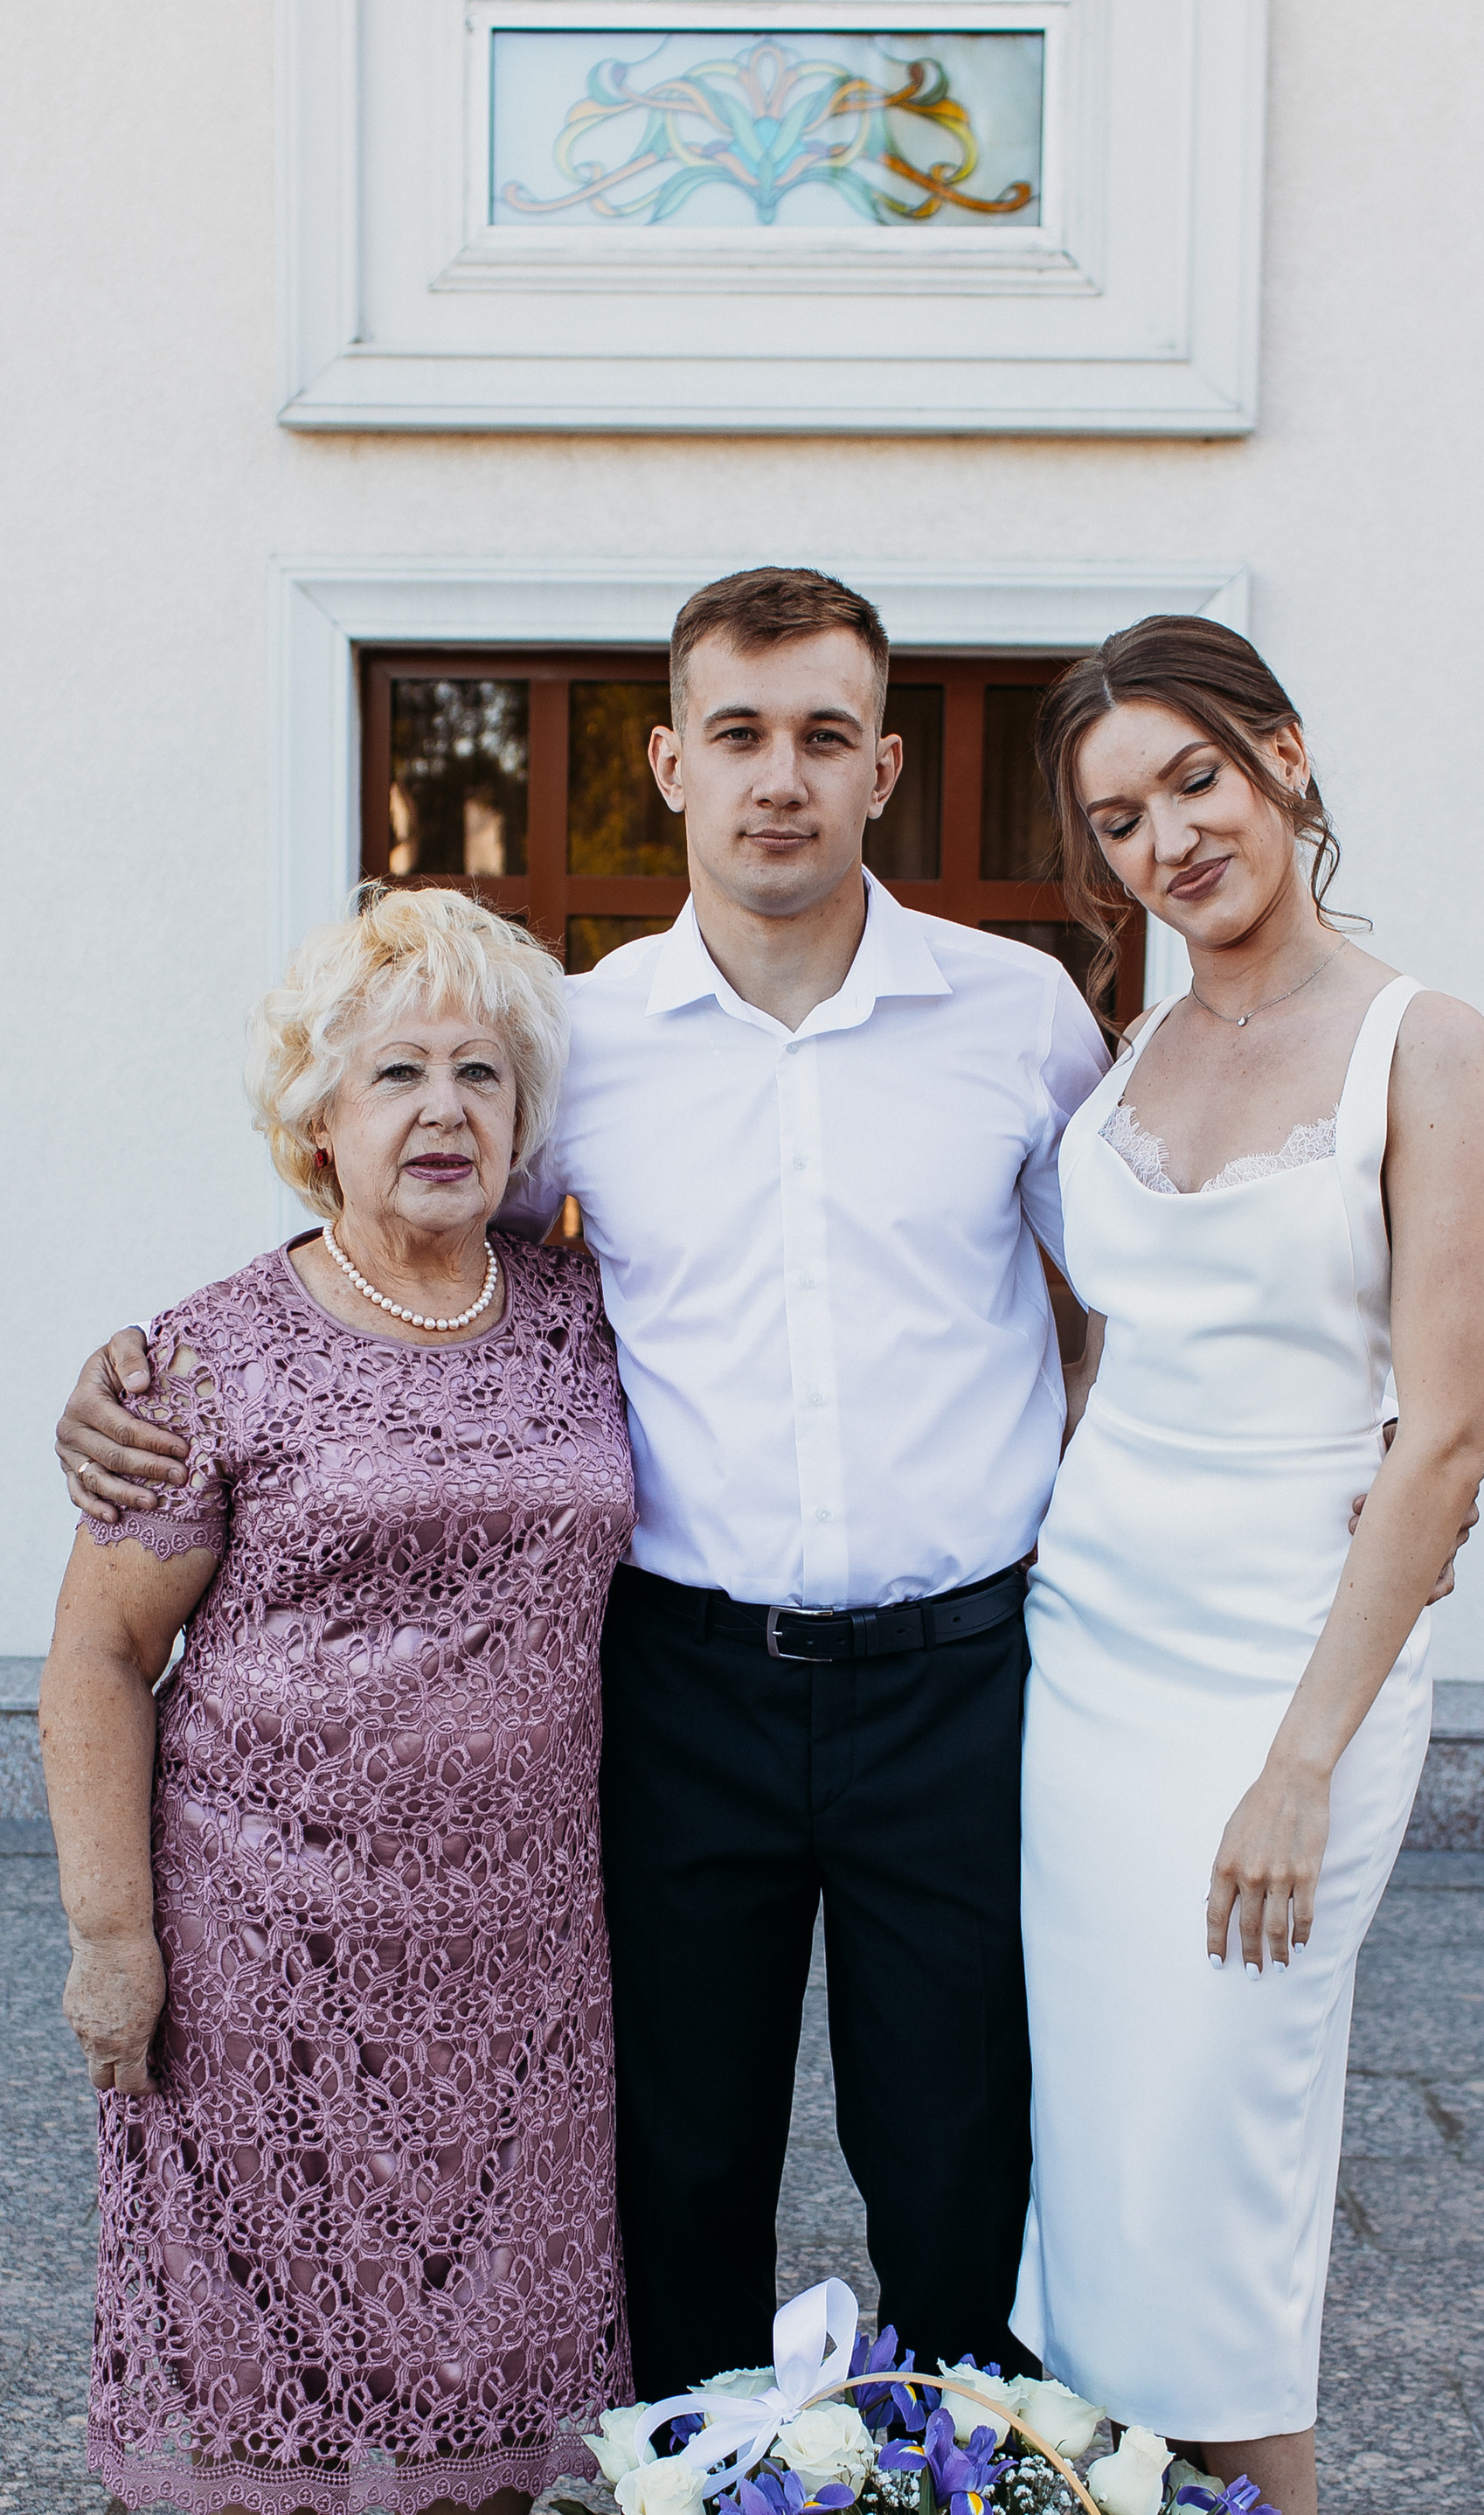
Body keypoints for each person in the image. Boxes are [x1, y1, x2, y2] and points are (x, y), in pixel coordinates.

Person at [58, 566, 1109, 2408]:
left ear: (880, 768)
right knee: (678, 2167)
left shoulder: (1013, 1019)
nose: (776, 777)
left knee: (959, 2162)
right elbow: (412, 1240)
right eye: (736, 736)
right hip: (680, 1686)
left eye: (820, 737)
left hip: (962, 1685)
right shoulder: (583, 1050)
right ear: (668, 765)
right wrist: (147, 1374)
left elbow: (1108, 1307)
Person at [38, 887, 633, 2515]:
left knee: (495, 2304)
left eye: (481, 1072)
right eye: (397, 1072)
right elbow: (96, 1658)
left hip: (523, 1927)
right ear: (316, 1118)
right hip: (262, 1919)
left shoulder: (575, 1312)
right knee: (266, 2322)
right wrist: (114, 1934)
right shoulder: (200, 1355)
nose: (444, 1108)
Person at [1015, 617, 1484, 2515]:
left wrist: (1303, 1758)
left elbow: (1443, 1445)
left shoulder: (1427, 1044)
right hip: (1087, 1669)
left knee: (1222, 2201)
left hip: (1286, 1696)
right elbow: (1093, 1354)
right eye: (1120, 819)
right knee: (1102, 2211)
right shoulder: (1119, 1063)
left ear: (1288, 761)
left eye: (1196, 783)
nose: (1169, 840)